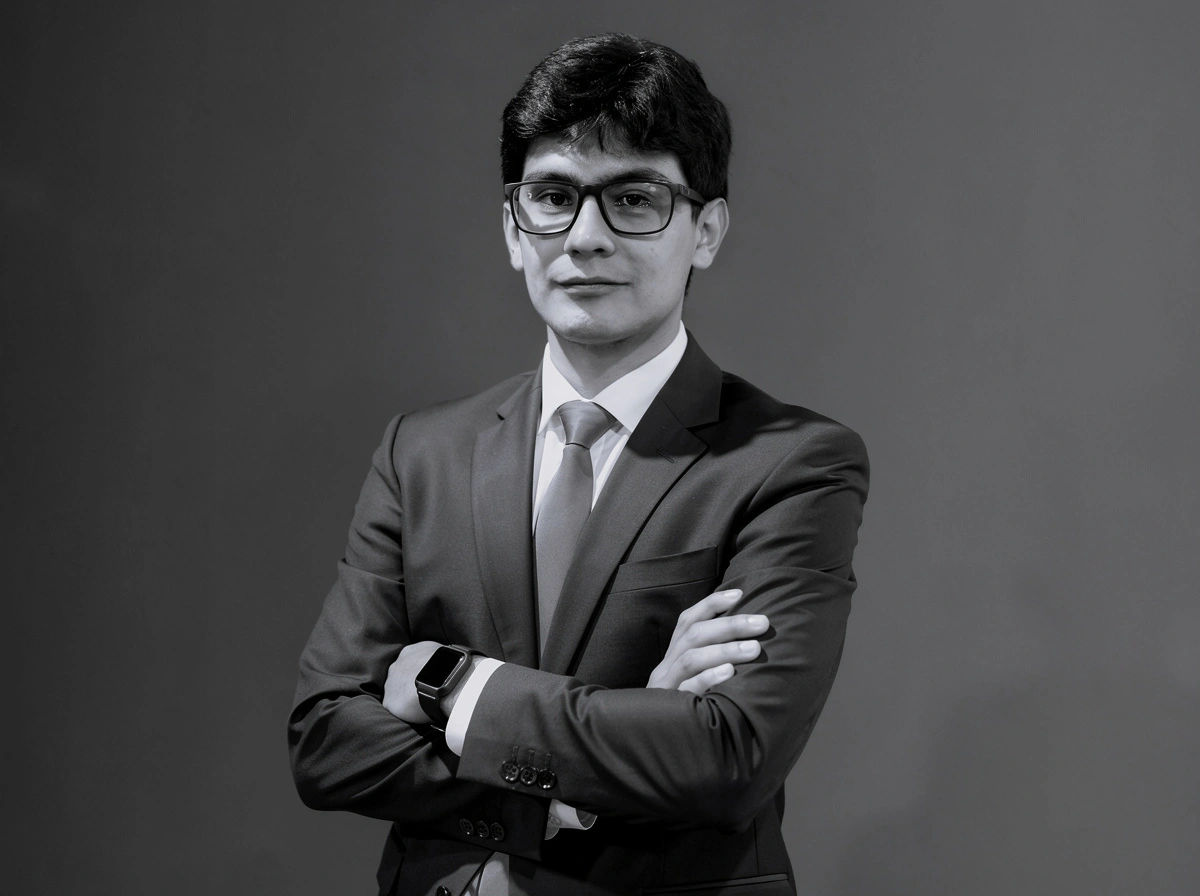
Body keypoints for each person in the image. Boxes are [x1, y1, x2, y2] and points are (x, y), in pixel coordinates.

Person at [289, 33, 869, 896]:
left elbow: (727, 757)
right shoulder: (421, 452)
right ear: (512, 228)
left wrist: (455, 686)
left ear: (706, 231)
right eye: (554, 197)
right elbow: (327, 740)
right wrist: (586, 770)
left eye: (633, 199)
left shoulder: (790, 462)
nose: (585, 237)